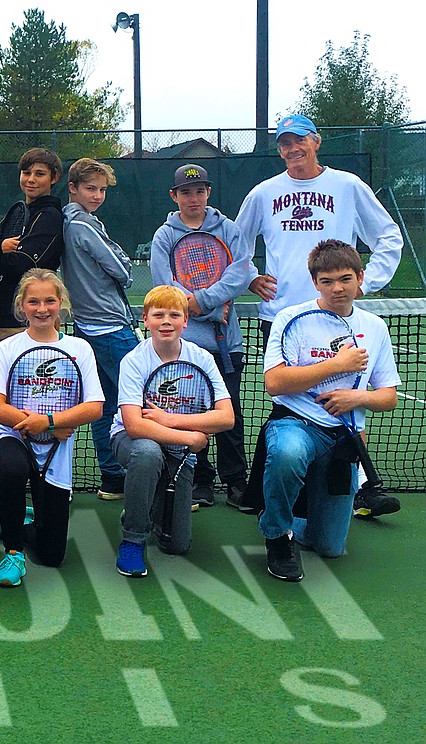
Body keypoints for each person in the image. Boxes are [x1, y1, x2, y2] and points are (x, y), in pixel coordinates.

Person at [237, 114, 404, 519]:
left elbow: (388, 236)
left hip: (337, 315)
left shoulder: (346, 186)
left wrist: (366, 284)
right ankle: (270, 494)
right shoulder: (263, 192)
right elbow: (235, 243)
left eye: (299, 141)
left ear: (316, 141)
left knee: (344, 401)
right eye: (284, 144)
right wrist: (250, 277)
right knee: (287, 405)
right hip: (280, 317)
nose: (292, 149)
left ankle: (356, 487)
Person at [258, 240, 400, 582]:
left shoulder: (376, 327)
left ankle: (283, 514)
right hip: (295, 422)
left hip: (344, 437)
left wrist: (358, 399)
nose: (337, 288)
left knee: (330, 546)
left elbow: (388, 397)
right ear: (315, 282)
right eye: (327, 281)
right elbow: (275, 383)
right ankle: (277, 536)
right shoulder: (290, 318)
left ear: (360, 277)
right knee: (289, 453)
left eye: (345, 278)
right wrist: (338, 365)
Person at [0, 269, 103, 587]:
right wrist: (33, 424)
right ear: (22, 305)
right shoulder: (8, 348)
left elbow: (94, 407)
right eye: (33, 301)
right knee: (11, 470)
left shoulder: (80, 349)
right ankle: (13, 553)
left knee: (52, 556)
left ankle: (19, 519)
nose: (41, 308)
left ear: (60, 302)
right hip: (13, 436)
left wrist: (51, 424)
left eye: (49, 300)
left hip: (56, 447)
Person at [149, 164, 254, 510]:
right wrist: (208, 307)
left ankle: (236, 481)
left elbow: (242, 272)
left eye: (199, 191)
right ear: (174, 196)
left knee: (229, 413)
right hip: (185, 347)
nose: (193, 198)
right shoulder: (164, 236)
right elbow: (165, 285)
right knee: (192, 412)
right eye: (185, 192)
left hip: (228, 344)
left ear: (208, 193)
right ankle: (201, 479)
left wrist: (201, 301)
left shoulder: (228, 229)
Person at [110, 286, 234, 577]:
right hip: (132, 442)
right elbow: (134, 424)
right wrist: (189, 436)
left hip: (179, 449)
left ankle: (141, 503)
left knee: (176, 545)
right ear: (146, 320)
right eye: (158, 314)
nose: (166, 321)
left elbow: (226, 417)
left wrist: (169, 420)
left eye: (174, 315)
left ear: (186, 321)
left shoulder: (202, 358)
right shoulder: (134, 361)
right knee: (148, 453)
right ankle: (133, 539)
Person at [0, 146, 65, 505]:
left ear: (53, 179)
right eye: (27, 173)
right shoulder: (20, 212)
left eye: (40, 174)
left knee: (29, 398)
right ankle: (1, 470)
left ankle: (35, 469)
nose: (31, 179)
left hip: (24, 327)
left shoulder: (51, 218)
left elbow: (22, 267)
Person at [60, 157, 138, 502]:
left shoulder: (73, 221)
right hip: (110, 328)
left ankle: (112, 477)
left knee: (104, 402)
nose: (97, 195)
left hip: (90, 326)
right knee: (141, 397)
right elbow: (122, 269)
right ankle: (146, 472)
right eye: (90, 188)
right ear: (73, 188)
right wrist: (124, 261)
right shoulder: (83, 226)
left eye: (102, 190)